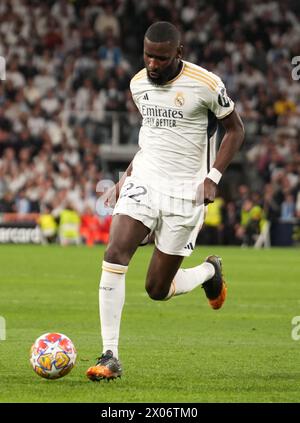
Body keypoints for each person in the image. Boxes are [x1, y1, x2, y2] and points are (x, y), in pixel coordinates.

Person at [86, 21, 244, 381]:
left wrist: (212, 177)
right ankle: (110, 354)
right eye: (148, 56)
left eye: (160, 58)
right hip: (144, 181)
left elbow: (236, 130)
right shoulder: (138, 84)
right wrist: (123, 180)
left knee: (157, 289)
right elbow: (152, 140)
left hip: (185, 193)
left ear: (179, 53)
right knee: (114, 254)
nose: (152, 64)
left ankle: (209, 271)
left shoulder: (206, 84)